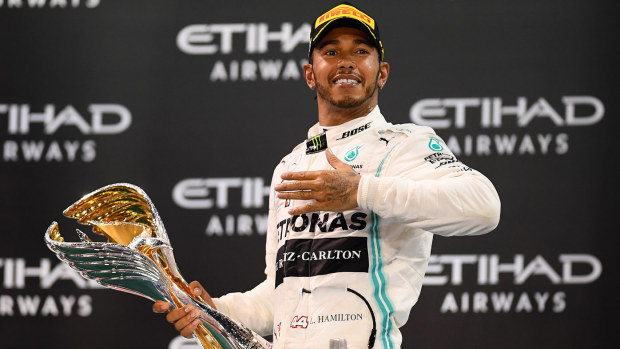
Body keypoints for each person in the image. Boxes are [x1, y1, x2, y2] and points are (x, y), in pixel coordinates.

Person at [153, 2, 501, 348]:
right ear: (310, 74)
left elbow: (484, 207)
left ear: (382, 73)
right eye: (331, 51)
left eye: (361, 51)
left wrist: (361, 191)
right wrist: (216, 309)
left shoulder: (405, 145)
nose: (346, 61)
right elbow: (282, 295)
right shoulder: (290, 165)